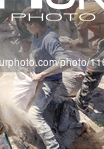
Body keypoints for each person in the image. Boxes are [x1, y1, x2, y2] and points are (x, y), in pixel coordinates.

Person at [20, 8, 71, 149]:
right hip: (37, 77)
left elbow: (66, 63)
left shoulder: (50, 38)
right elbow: (33, 53)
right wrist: (31, 67)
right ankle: (55, 104)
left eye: (26, 25)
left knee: (33, 114)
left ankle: (53, 146)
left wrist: (42, 75)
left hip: (50, 81)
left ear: (34, 24)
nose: (26, 28)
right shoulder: (37, 35)